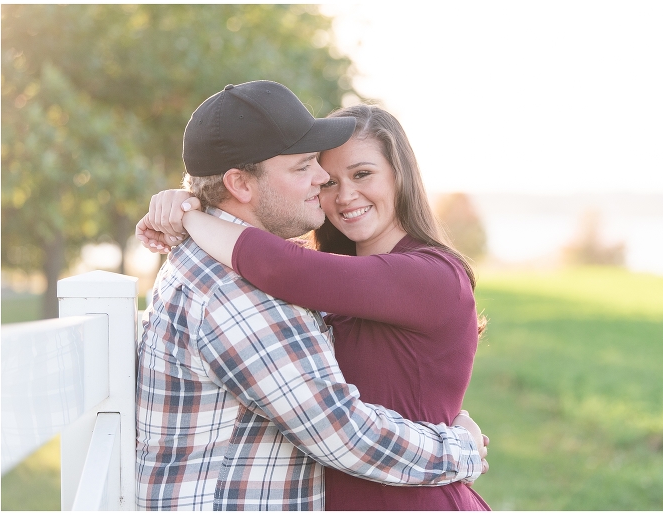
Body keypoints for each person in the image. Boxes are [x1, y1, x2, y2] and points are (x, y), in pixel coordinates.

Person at [134, 81, 488, 511]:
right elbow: (341, 433)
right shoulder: (241, 288)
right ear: (241, 184)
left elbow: (284, 266)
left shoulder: (425, 275)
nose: (332, 188)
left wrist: (194, 216)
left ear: (401, 175)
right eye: (309, 167)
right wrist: (193, 211)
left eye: (362, 174)